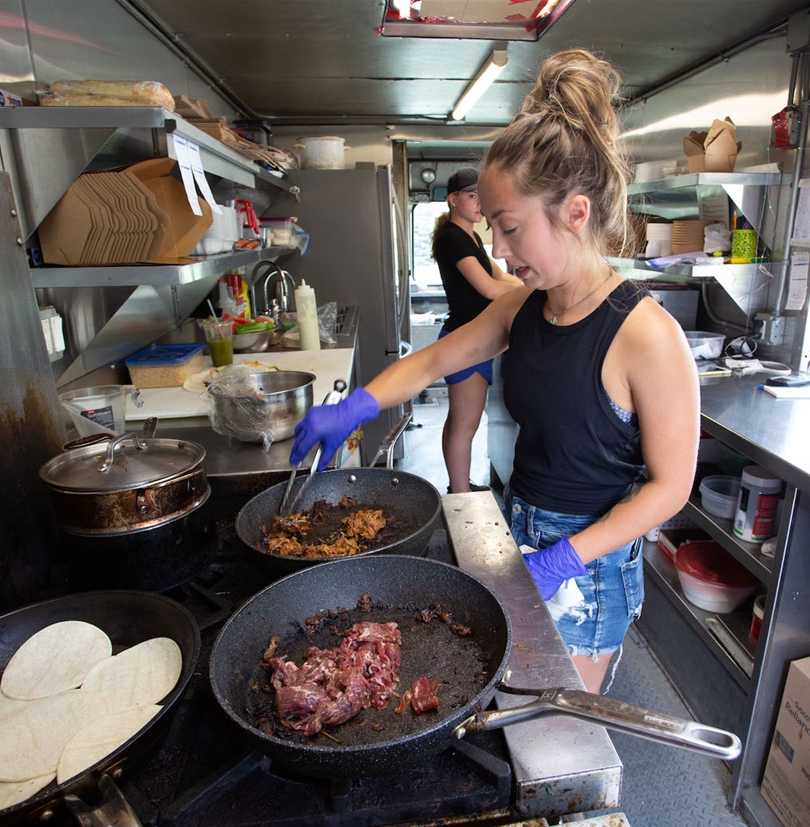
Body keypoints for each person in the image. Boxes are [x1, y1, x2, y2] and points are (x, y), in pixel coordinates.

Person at [291, 49, 699, 694]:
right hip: (523, 524)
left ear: (576, 212)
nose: (499, 250)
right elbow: (433, 359)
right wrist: (355, 406)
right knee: (514, 691)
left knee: (561, 720)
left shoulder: (646, 334)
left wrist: (565, 558)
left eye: (508, 228)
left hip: (590, 560)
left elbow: (670, 489)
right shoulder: (522, 308)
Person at [431, 167, 522, 493]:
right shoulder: (453, 237)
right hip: (466, 340)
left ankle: (458, 487)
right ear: (453, 200)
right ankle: (461, 498)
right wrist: (532, 292)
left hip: (474, 338)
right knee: (465, 425)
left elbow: (501, 277)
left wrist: (532, 283)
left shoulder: (470, 236)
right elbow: (487, 288)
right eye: (472, 196)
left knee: (458, 421)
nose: (478, 203)